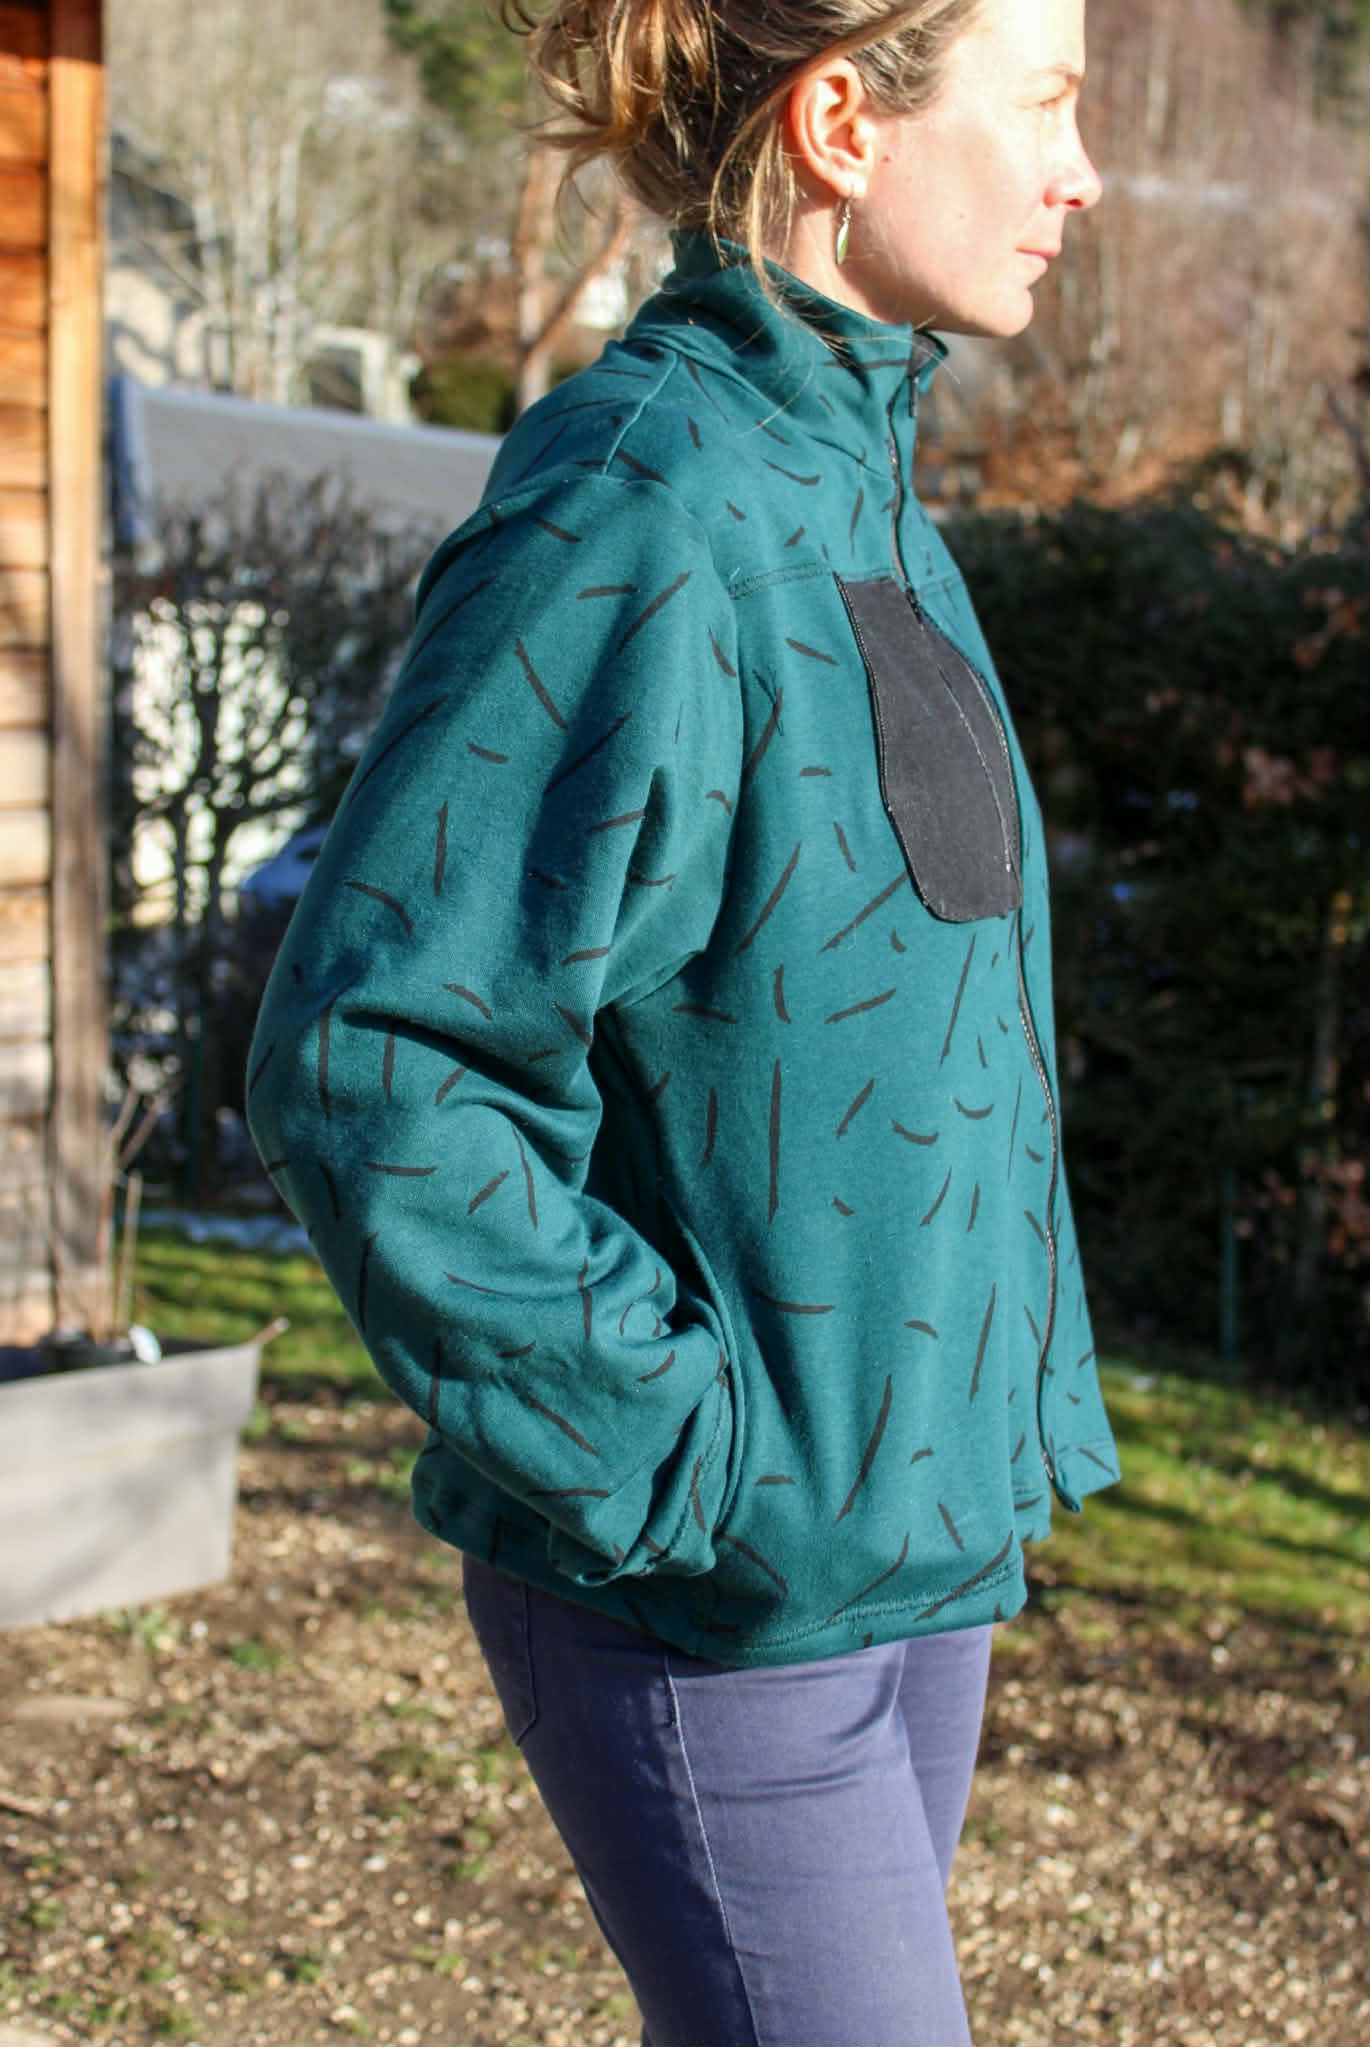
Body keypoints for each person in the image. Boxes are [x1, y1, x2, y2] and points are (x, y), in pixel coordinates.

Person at [246, 1, 1117, 2039]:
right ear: (842, 123)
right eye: (1048, 106)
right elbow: (377, 1058)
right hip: (717, 1599)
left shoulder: (850, 489)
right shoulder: (642, 502)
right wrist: (691, 1466)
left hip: (902, 1560)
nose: (1082, 175)